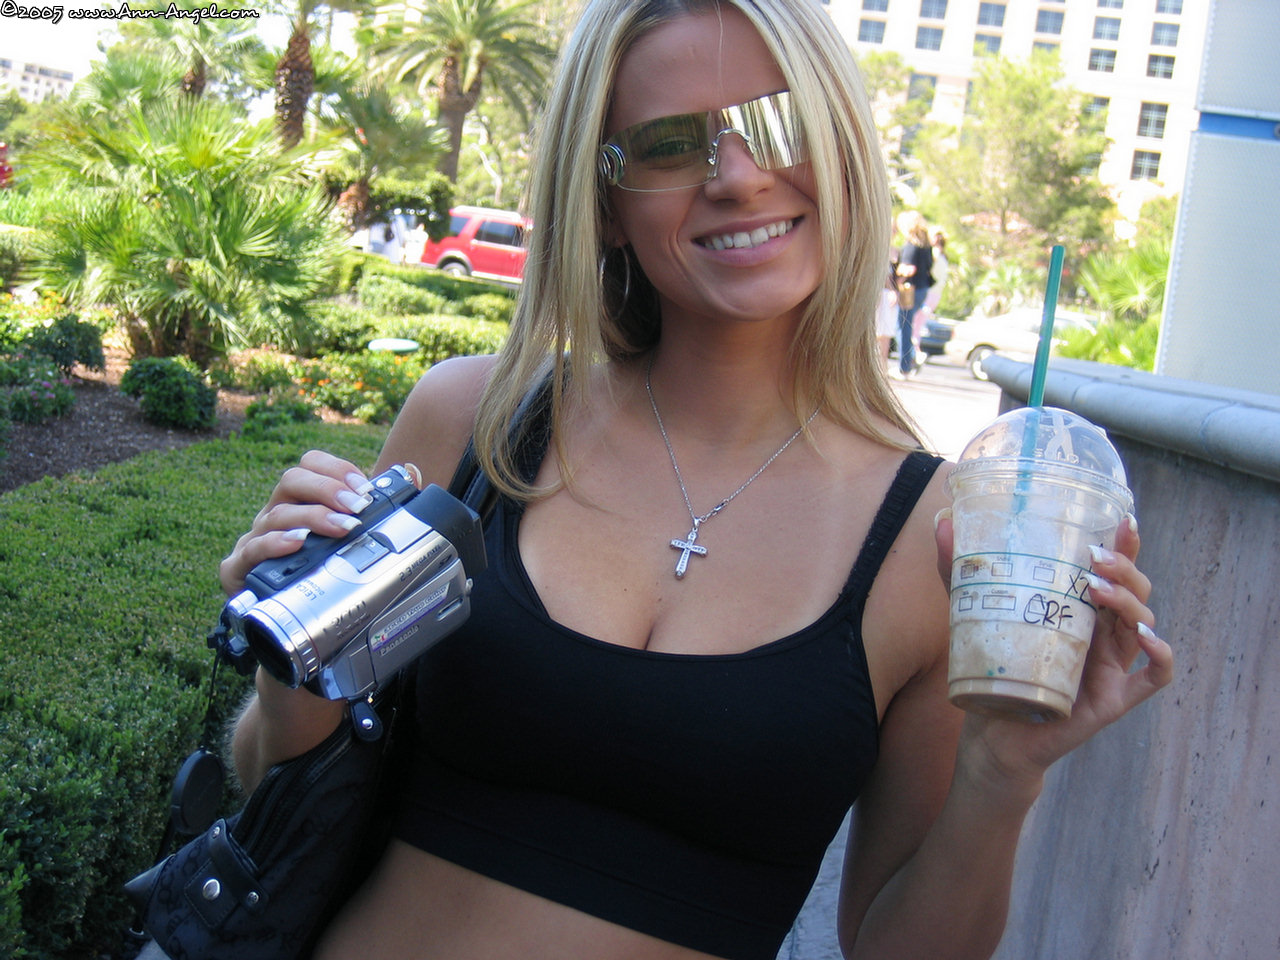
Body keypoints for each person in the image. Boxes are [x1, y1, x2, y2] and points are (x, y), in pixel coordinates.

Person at [219, 1, 1173, 958]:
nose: (739, 177)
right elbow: (270, 780)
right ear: (605, 202)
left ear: (842, 147)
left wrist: (1002, 772)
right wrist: (295, 643)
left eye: (779, 122)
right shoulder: (476, 422)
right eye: (672, 144)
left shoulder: (936, 536)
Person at [895, 212, 933, 375]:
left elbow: (909, 269)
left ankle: (905, 365)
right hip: (922, 288)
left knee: (902, 327)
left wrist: (896, 281)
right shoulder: (926, 246)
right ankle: (910, 359)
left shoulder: (911, 245)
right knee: (907, 326)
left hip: (909, 290)